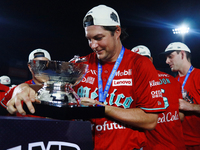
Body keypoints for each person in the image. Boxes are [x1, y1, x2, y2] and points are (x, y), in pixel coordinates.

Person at [3, 5, 166, 149]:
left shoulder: (139, 64)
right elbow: (54, 90)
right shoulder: (80, 64)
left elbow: (150, 120)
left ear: (117, 32)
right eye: (89, 39)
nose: (93, 45)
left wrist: (103, 109)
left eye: (98, 38)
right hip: (81, 145)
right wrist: (22, 88)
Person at [132, 45, 186, 150]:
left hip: (153, 146)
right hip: (177, 144)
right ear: (150, 59)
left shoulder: (133, 85)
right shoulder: (172, 80)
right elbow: (181, 116)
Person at [159, 42, 200, 150]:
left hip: (196, 142)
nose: (167, 61)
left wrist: (191, 107)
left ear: (182, 54)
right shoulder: (170, 81)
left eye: (170, 57)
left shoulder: (198, 76)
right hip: (176, 142)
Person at [1, 48, 51, 117]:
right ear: (30, 67)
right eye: (37, 64)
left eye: (45, 64)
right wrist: (18, 88)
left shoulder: (61, 89)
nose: (41, 68)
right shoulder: (18, 90)